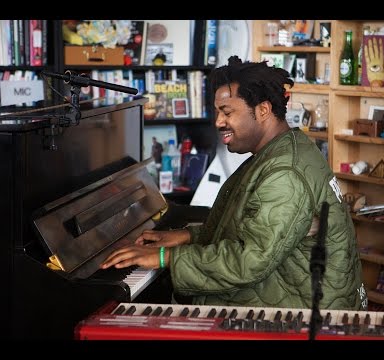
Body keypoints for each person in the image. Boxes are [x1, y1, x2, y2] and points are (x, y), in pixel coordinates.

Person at [101, 55, 368, 311]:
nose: (218, 121)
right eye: (217, 112)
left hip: (301, 313)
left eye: (227, 112)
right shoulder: (284, 149)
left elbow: (249, 261)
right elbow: (252, 228)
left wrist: (164, 257)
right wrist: (189, 236)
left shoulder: (285, 173)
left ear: (263, 110)